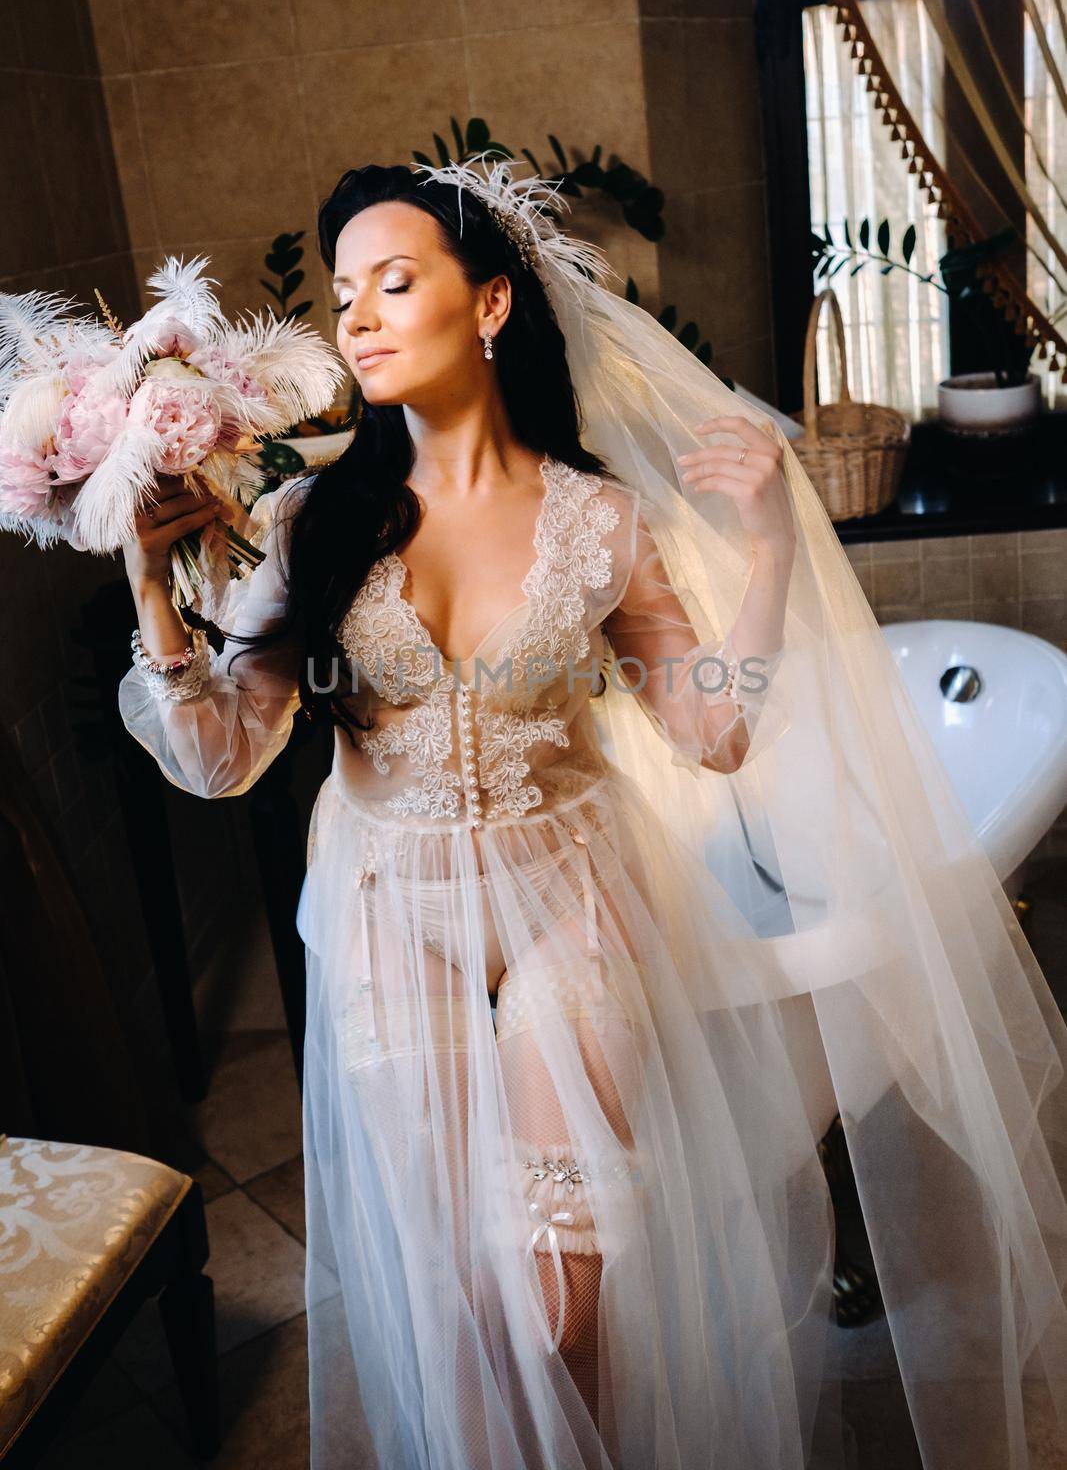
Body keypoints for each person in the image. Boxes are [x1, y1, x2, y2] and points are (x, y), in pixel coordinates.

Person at [119, 156, 1067, 1470]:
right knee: (453, 1302)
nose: (363, 318)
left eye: (397, 282)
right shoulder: (309, 519)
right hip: (394, 914)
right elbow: (221, 755)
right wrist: (154, 583)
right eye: (347, 296)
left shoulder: (599, 523)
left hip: (572, 902)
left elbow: (711, 730)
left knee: (561, 1309)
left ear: (492, 303)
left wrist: (774, 547)